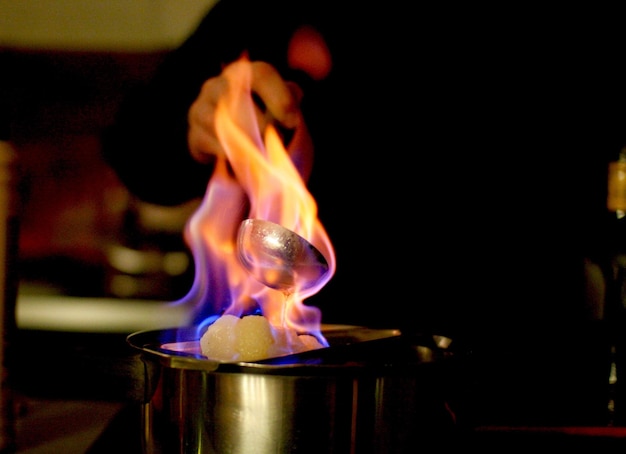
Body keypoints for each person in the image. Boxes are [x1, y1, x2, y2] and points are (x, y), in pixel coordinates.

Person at [102, 0, 626, 427]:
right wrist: (203, 124)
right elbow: (139, 150)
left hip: (531, 378)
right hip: (326, 399)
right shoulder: (267, 13)